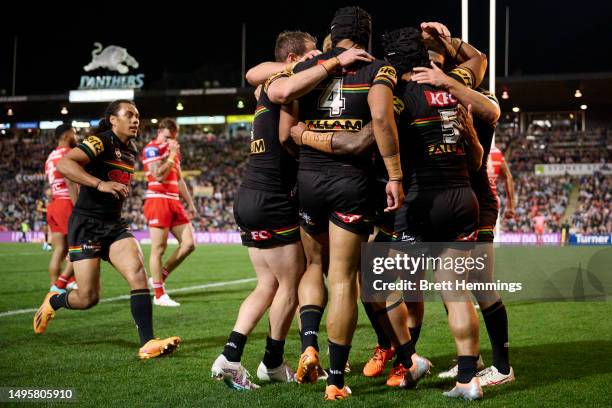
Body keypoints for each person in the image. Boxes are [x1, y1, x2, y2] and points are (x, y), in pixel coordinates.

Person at [281, 6, 403, 400]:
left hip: (309, 181)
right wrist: (395, 174)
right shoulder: (380, 69)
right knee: (344, 279)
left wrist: (309, 138)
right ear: (367, 35)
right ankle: (335, 379)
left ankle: (309, 346)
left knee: (314, 265)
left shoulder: (308, 68)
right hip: (352, 182)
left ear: (333, 33)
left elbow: (286, 132)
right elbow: (382, 119)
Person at [33, 99, 180, 359]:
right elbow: (65, 164)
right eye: (129, 115)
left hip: (114, 225)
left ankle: (147, 343)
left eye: (137, 115)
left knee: (137, 272)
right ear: (113, 119)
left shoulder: (130, 149)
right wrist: (100, 184)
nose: (136, 120)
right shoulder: (100, 141)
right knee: (88, 298)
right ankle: (54, 301)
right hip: (87, 225)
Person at [142, 118, 197, 307]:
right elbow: (158, 174)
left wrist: (190, 203)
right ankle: (158, 294)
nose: (170, 141)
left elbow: (179, 178)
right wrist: (172, 155)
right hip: (158, 199)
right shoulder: (151, 149)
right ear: (160, 132)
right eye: (167, 137)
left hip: (174, 201)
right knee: (159, 248)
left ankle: (159, 276)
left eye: (173, 138)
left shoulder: (173, 151)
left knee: (189, 244)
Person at [45, 124, 78, 291]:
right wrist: (79, 206)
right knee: (81, 246)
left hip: (54, 203)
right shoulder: (68, 154)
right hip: (66, 203)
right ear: (66, 135)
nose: (76, 136)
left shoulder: (50, 157)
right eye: (74, 133)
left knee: (59, 250)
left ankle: (54, 287)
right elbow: (71, 181)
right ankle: (64, 282)